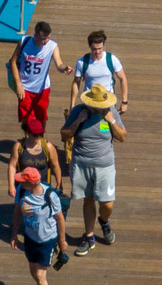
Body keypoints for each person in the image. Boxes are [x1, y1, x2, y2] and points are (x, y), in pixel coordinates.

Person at [61, 83, 125, 255]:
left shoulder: (110, 111)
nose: (99, 108)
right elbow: (64, 135)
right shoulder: (78, 111)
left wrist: (111, 120)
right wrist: (78, 121)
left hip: (105, 165)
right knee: (87, 199)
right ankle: (89, 238)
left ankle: (104, 222)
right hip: (82, 164)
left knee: (107, 203)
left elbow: (122, 137)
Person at [6, 20, 69, 133]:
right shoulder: (24, 42)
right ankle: (28, 138)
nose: (45, 41)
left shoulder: (52, 46)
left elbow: (59, 64)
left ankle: (40, 138)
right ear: (35, 35)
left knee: (42, 115)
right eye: (42, 39)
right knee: (25, 117)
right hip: (25, 87)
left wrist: (64, 68)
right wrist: (18, 85)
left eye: (47, 38)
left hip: (42, 88)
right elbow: (13, 62)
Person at [10, 167, 68, 282]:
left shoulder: (50, 196)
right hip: (30, 238)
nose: (19, 182)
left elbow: (60, 219)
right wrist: (14, 234)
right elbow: (17, 213)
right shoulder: (21, 190)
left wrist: (62, 240)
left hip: (47, 240)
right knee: (33, 271)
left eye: (22, 180)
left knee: (40, 275)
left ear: (31, 183)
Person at [70, 31, 129, 114]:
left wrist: (124, 102)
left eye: (100, 48)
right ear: (89, 46)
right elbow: (76, 83)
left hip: (107, 103)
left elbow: (123, 79)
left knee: (103, 127)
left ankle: (104, 127)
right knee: (88, 126)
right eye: (94, 49)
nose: (97, 52)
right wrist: (72, 105)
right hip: (89, 103)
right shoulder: (82, 62)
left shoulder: (111, 59)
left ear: (103, 46)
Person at [6, 119, 63, 198]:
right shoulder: (19, 147)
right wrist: (11, 185)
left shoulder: (48, 147)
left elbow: (55, 166)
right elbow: (12, 166)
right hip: (24, 187)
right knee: (22, 209)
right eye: (35, 134)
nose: (38, 136)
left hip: (43, 188)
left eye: (40, 134)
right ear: (27, 132)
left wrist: (59, 183)